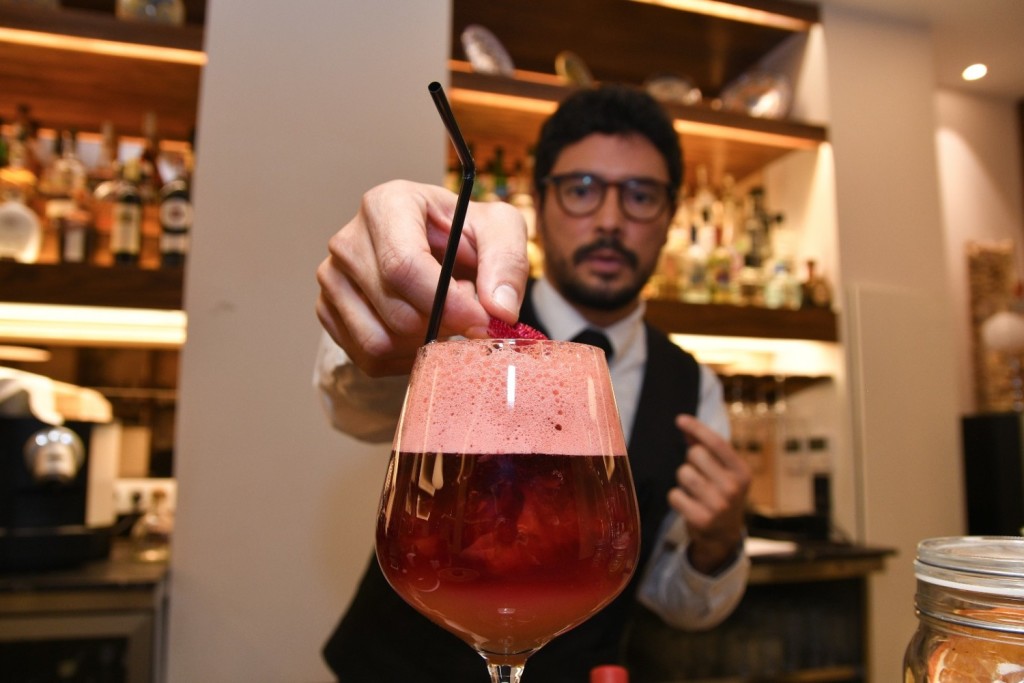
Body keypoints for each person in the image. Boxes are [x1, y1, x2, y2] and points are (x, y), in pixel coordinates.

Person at [314, 84, 751, 682]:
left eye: (641, 196)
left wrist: (717, 545)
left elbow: (670, 599)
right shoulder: (462, 321)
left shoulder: (693, 385)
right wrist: (378, 311)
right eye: (582, 189)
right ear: (540, 204)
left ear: (671, 216)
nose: (610, 220)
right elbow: (355, 403)